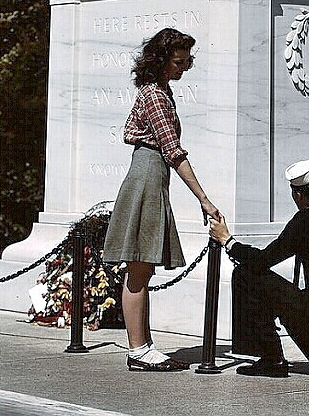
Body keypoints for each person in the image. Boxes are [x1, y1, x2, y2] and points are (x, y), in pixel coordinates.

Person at [103, 27, 225, 372]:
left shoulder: (157, 91)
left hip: (150, 175)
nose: (184, 67)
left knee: (141, 266)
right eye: (178, 61)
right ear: (160, 60)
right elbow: (173, 152)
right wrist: (204, 198)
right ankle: (139, 350)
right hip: (148, 176)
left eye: (188, 61)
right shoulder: (156, 95)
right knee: (140, 267)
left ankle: (142, 347)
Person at [209, 159, 309, 377]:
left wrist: (228, 241)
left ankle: (270, 358)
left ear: (298, 195)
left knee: (246, 274)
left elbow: (263, 260)